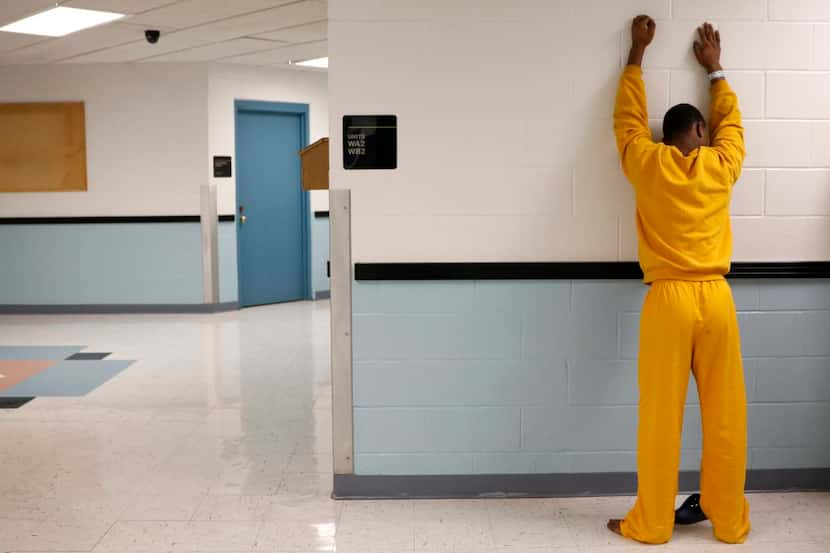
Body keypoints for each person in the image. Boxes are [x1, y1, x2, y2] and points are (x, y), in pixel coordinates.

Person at [606, 15, 752, 545]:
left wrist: (637, 54)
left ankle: (652, 523)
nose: (710, 133)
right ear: (697, 131)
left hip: (666, 299)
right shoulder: (720, 166)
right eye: (704, 129)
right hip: (716, 298)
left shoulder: (646, 163)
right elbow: (733, 126)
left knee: (660, 418)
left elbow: (625, 121)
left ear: (665, 135)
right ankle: (730, 520)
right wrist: (715, 71)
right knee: (726, 415)